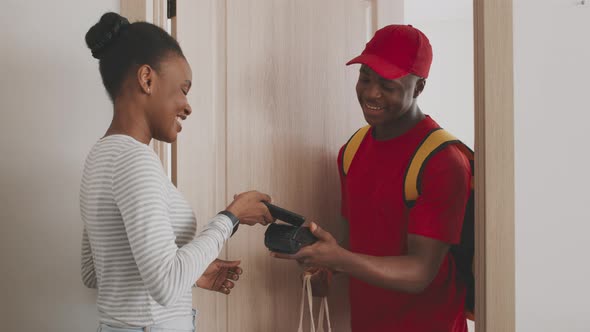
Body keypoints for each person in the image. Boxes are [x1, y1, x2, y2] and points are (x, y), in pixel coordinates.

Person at [80, 12, 274, 331]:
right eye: (183, 89)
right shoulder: (135, 161)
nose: (187, 106)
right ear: (147, 79)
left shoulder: (99, 158)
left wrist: (192, 272)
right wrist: (231, 217)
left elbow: (94, 272)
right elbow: (167, 284)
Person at [272, 25, 471, 332]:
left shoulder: (443, 161)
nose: (370, 93)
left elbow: (420, 272)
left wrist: (339, 259)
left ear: (418, 88)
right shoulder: (352, 151)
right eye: (365, 78)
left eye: (387, 84)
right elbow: (363, 245)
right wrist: (327, 266)